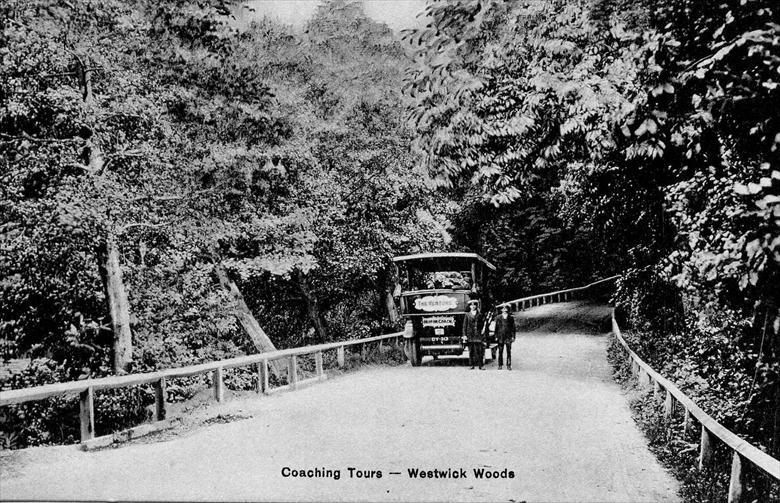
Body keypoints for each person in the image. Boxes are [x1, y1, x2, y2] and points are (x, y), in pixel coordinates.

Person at [462, 300, 485, 370]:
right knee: (471, 351)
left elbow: (482, 324)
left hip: (478, 334)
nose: (473, 307)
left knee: (479, 351)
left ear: (476, 306)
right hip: (470, 335)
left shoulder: (480, 314)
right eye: (471, 305)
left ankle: (481, 365)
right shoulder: (467, 315)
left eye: (474, 305)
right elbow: (464, 326)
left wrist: (482, 331)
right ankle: (471, 365)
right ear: (469, 306)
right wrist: (464, 335)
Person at [494, 304, 516, 370]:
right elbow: (496, 328)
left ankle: (508, 365)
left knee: (508, 351)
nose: (504, 311)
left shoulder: (511, 318)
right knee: (500, 351)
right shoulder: (498, 317)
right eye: (503, 309)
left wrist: (513, 336)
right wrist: (496, 336)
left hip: (508, 337)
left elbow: (513, 328)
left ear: (508, 310)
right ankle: (500, 365)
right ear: (501, 310)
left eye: (506, 309)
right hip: (500, 336)